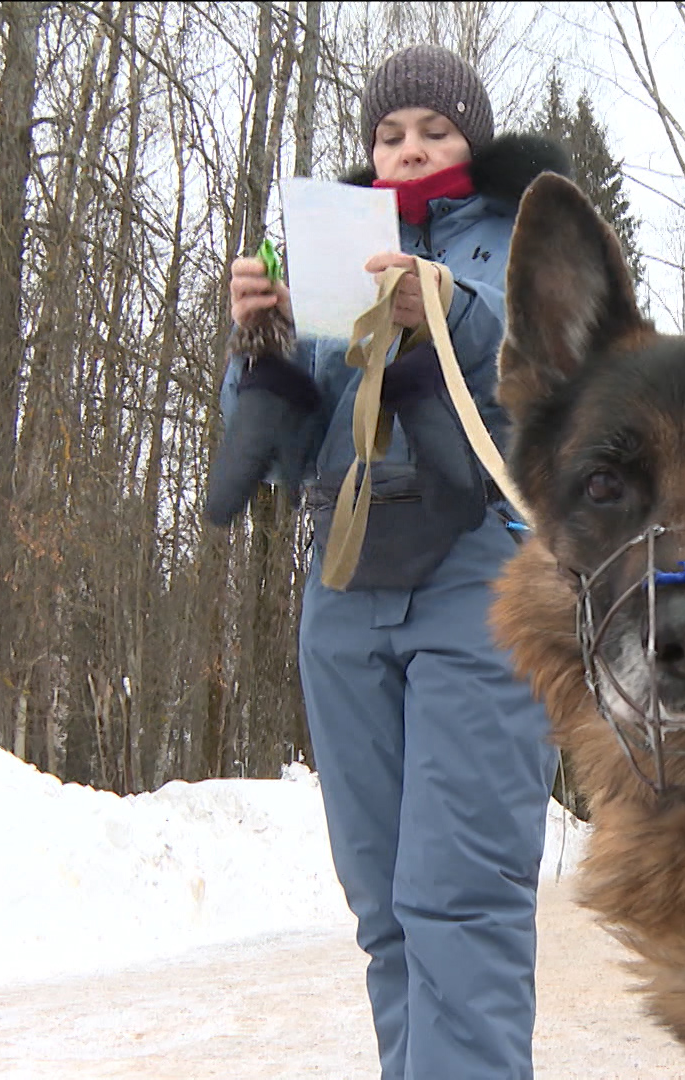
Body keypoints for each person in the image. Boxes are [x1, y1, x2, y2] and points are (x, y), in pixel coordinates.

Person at [217, 45, 565, 1080]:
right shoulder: (335, 246)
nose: (410, 148)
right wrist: (263, 344)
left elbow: (558, 370)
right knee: (386, 906)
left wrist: (447, 307)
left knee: (459, 898)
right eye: (389, 133)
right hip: (346, 576)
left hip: (480, 578)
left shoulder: (525, 239)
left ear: (474, 139)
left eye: (436, 129)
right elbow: (288, 452)